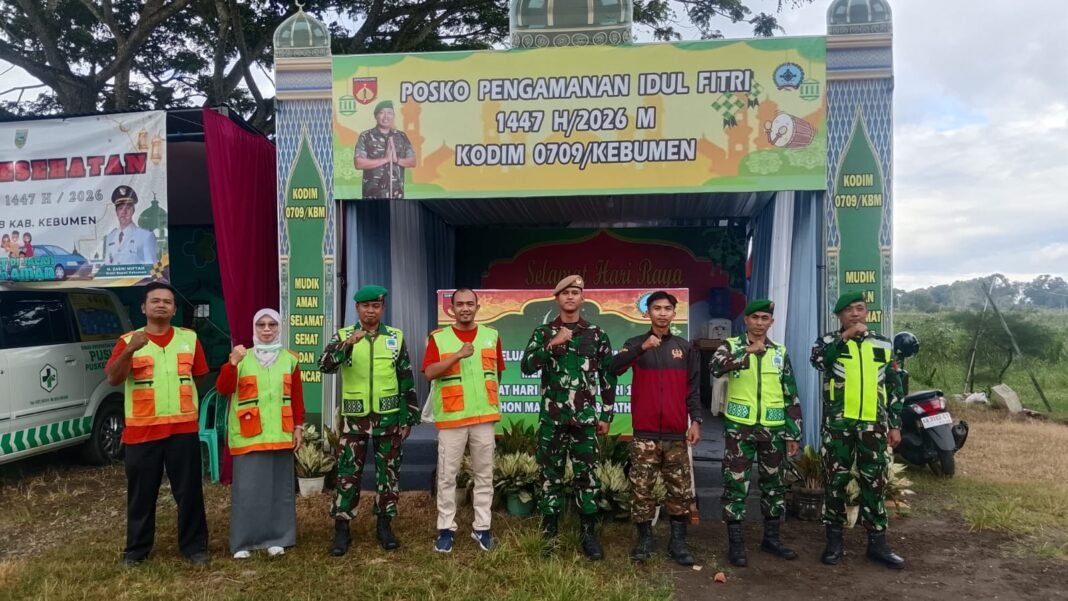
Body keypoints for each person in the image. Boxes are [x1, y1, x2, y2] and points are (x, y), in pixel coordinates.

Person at [104, 282, 211, 566]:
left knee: (189, 492)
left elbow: (200, 375)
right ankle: (136, 551)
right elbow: (113, 378)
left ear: (174, 309)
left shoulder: (189, 339)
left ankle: (194, 547)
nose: (161, 305)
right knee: (142, 494)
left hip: (183, 429)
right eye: (155, 301)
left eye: (167, 301)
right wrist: (129, 351)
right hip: (143, 431)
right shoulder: (128, 341)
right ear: (143, 307)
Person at [319, 285, 419, 555]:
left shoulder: (395, 337)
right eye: (366, 306)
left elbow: (405, 377)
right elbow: (324, 365)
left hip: (388, 417)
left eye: (376, 306)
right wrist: (347, 345)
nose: (371, 311)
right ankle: (342, 529)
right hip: (355, 418)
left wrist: (408, 416)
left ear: (382, 308)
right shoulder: (343, 335)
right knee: (348, 473)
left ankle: (384, 526)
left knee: (389, 473)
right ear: (357, 308)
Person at [520, 275, 615, 560]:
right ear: (557, 298)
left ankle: (588, 534)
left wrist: (607, 414)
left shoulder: (596, 334)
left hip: (585, 420)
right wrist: (552, 344)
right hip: (553, 420)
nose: (570, 297)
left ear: (582, 297)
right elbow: (526, 366)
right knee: (550, 476)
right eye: (565, 293)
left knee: (587, 477)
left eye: (575, 292)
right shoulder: (543, 332)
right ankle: (549, 532)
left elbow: (608, 376)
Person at [811, 291, 905, 569]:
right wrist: (845, 338)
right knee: (835, 481)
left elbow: (894, 385)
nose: (855, 314)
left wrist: (895, 424)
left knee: (875, 481)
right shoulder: (827, 342)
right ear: (839, 315)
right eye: (849, 310)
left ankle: (877, 544)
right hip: (839, 425)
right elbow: (819, 362)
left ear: (867, 312)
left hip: (873, 424)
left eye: (860, 308)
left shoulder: (883, 343)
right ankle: (834, 542)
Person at [609, 290, 701, 566]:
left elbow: (693, 389)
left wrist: (696, 421)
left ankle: (678, 542)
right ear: (647, 313)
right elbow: (613, 368)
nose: (662, 313)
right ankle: (644, 539)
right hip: (645, 434)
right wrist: (642, 348)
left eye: (667, 308)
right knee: (642, 490)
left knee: (679, 491)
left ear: (674, 313)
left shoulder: (685, 348)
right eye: (657, 308)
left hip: (676, 434)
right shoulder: (635, 344)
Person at [710, 299, 803, 567]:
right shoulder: (731, 346)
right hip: (740, 428)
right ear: (746, 320)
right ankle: (736, 544)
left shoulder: (779, 351)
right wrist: (747, 352)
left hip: (773, 429)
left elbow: (790, 393)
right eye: (755, 317)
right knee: (735, 484)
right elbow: (715, 367)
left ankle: (771, 539)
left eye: (765, 318)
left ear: (771, 322)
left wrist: (793, 432)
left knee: (774, 484)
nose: (760, 323)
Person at [216, 309, 305, 559]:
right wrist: (232, 363)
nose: (267, 330)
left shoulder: (290, 359)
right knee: (248, 491)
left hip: (280, 435)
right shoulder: (242, 357)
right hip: (249, 436)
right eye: (261, 325)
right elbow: (223, 388)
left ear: (279, 328)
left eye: (272, 324)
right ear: (254, 329)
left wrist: (298, 427)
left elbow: (296, 398)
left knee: (279, 491)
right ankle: (244, 542)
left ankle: (277, 538)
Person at [422, 288, 505, 553]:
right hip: (452, 418)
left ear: (477, 308)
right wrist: (457, 355)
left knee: (484, 475)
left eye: (470, 304)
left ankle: (482, 528)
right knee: (447, 476)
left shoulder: (492, 336)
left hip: (484, 417)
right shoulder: (439, 338)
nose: (465, 308)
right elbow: (429, 373)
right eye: (460, 304)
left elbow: (497, 373)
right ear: (451, 309)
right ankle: (446, 529)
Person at [355, 101, 416, 199]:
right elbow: (359, 163)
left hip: (396, 194)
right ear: (376, 116)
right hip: (372, 195)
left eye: (389, 113)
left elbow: (412, 162)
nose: (386, 117)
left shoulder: (401, 136)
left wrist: (396, 160)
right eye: (382, 112)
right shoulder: (366, 136)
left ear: (394, 116)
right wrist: (385, 159)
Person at [103, 185, 158, 266]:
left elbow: (152, 267)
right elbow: (107, 266)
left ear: (133, 211)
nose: (124, 212)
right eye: (120, 208)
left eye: (128, 208)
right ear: (116, 212)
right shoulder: (110, 237)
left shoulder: (146, 236)